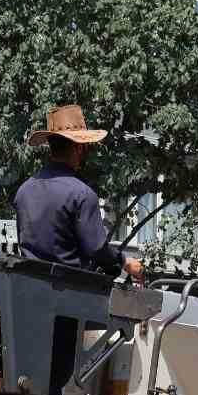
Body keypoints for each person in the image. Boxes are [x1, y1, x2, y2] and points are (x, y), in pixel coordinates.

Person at [14, 104, 145, 282]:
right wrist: (124, 262)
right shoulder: (82, 194)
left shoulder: (24, 190)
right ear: (78, 148)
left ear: (52, 146)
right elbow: (96, 249)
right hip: (71, 295)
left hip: (30, 290)